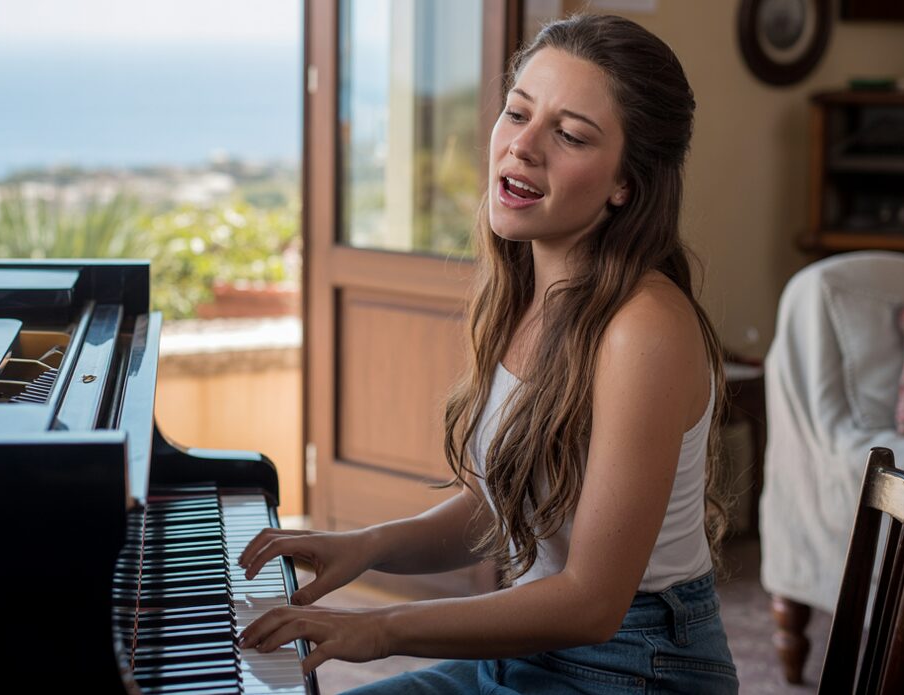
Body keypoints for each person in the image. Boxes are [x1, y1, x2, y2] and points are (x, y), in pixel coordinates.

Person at [238, 14, 739, 694]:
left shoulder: (643, 330)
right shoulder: (525, 291)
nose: (522, 147)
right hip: (528, 653)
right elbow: (509, 498)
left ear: (628, 181)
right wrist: (366, 546)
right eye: (517, 113)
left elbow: (593, 602)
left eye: (569, 134)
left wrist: (381, 629)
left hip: (633, 667)